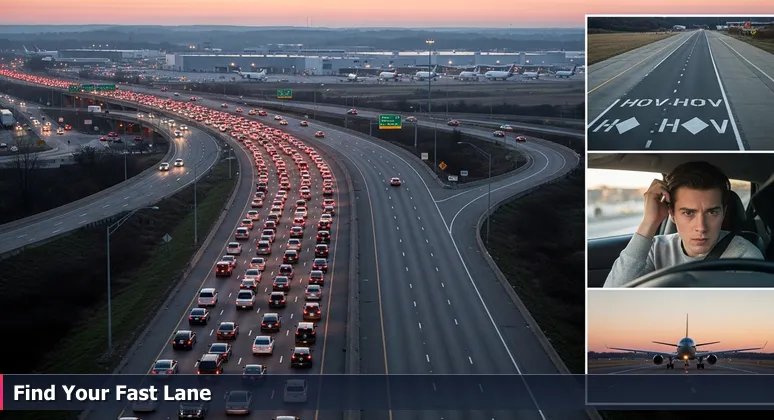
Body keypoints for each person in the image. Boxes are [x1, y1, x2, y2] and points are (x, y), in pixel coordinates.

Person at [604, 161, 763, 287]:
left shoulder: (744, 257)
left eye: (712, 212)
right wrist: (648, 222)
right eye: (688, 213)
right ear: (672, 214)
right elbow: (611, 298)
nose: (701, 227)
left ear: (724, 212)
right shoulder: (655, 250)